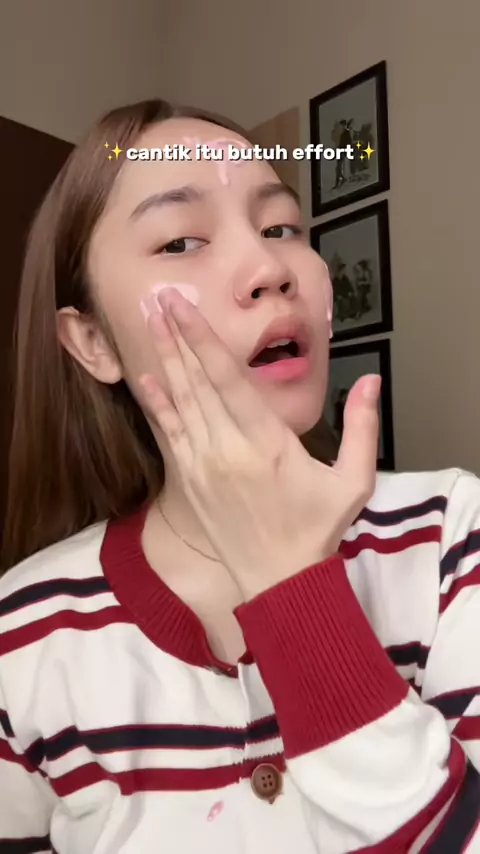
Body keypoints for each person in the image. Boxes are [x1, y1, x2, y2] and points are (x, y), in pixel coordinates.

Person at [0, 98, 478, 854]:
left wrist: (294, 589)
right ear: (93, 342)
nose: (269, 270)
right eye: (180, 240)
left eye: (281, 228)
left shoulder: (451, 535)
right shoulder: (24, 631)